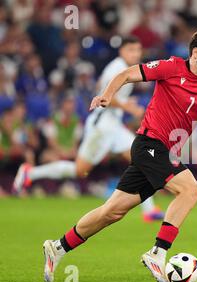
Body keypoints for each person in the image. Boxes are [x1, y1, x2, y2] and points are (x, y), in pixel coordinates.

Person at [41, 27, 197, 282]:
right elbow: (126, 74)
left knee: (111, 212)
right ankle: (158, 252)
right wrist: (107, 96)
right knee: (191, 191)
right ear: (195, 53)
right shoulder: (170, 67)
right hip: (150, 144)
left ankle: (57, 247)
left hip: (165, 151)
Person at [13, 36, 163, 221]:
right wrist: (128, 107)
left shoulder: (125, 68)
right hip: (102, 126)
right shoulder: (117, 69)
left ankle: (148, 210)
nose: (135, 54)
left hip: (113, 125)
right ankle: (31, 173)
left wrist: (125, 105)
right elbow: (104, 97)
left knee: (140, 159)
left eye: (138, 50)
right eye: (131, 50)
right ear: (121, 51)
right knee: (79, 169)